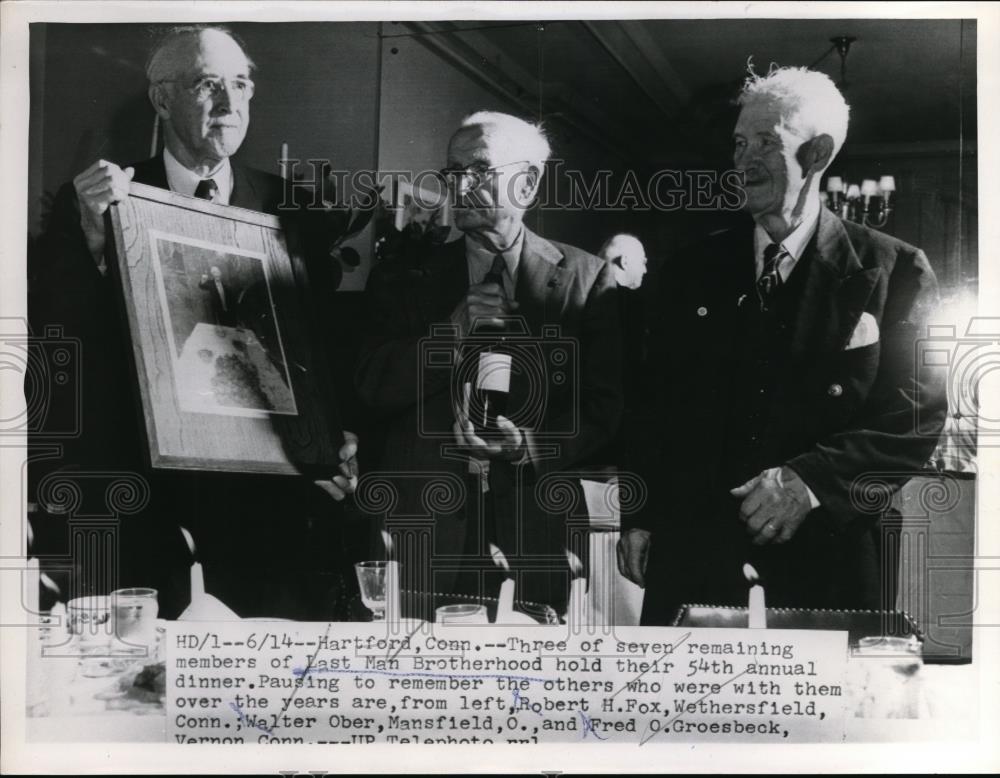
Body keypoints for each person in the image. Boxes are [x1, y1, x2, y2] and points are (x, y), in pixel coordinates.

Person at [31, 26, 359, 619]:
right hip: (145, 501)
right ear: (161, 99)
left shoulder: (296, 211)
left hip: (267, 509)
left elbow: (326, 349)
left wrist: (338, 444)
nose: (230, 105)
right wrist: (94, 239)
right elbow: (62, 340)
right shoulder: (98, 201)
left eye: (240, 84)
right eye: (208, 85)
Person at [618, 67, 947, 622]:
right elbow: (652, 403)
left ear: (817, 154)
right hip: (693, 556)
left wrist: (809, 480)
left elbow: (915, 415)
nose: (742, 162)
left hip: (824, 566)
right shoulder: (689, 271)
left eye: (766, 143)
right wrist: (642, 513)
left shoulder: (895, 270)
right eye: (739, 143)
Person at [356, 111, 622, 614]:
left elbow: (605, 408)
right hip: (421, 533)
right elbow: (368, 385)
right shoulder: (402, 276)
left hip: (536, 532)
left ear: (528, 182)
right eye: (452, 170)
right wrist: (449, 334)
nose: (459, 184)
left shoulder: (587, 279)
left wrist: (529, 445)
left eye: (479, 169)